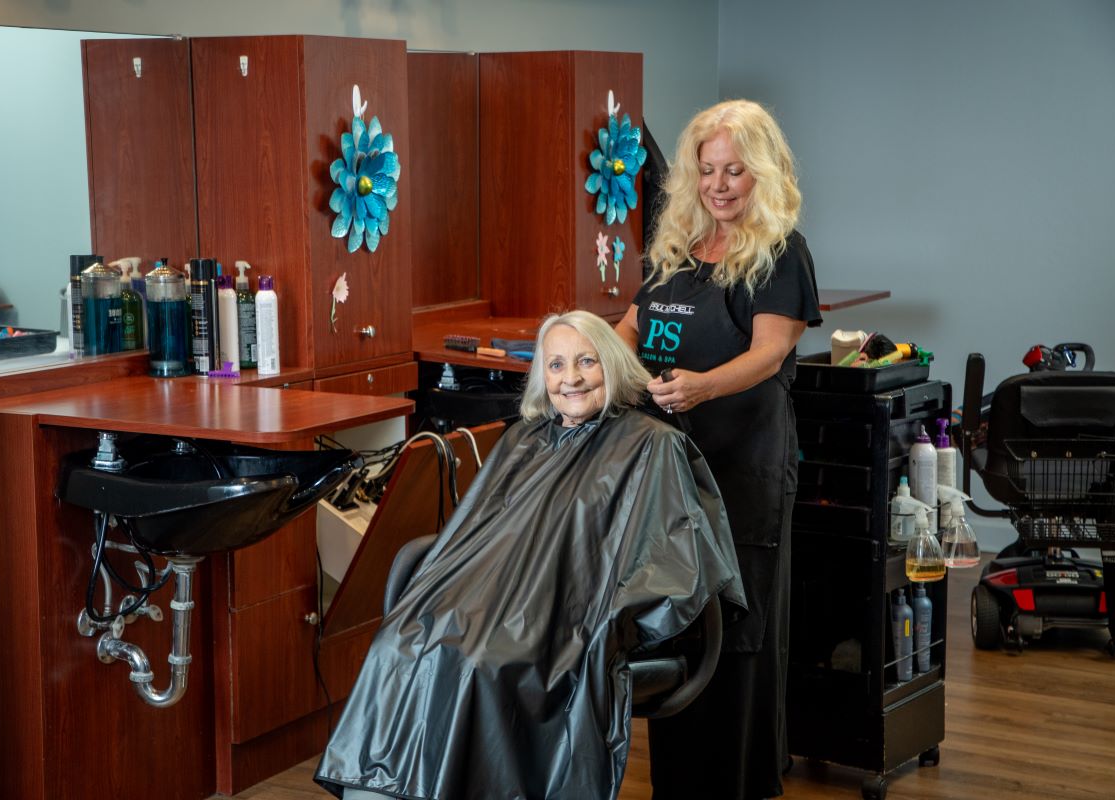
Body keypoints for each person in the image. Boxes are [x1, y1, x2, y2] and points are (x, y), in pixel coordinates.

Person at [315, 310, 746, 800]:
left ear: (612, 363)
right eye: (557, 365)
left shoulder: (652, 445)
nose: (572, 378)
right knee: (400, 643)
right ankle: (382, 789)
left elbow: (669, 555)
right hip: (495, 601)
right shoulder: (525, 439)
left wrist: (606, 616)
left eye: (587, 361)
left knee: (479, 662)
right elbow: (478, 535)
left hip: (569, 616)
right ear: (543, 375)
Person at [616, 99, 822, 800]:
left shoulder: (779, 251)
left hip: (741, 470)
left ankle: (739, 785)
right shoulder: (677, 249)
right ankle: (680, 786)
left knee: (738, 631)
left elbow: (770, 354)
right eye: (708, 170)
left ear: (761, 173)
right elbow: (628, 329)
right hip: (670, 475)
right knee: (679, 626)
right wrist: (580, 357)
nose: (721, 184)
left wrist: (702, 389)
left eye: (735, 170)